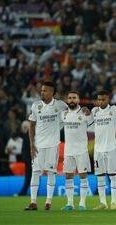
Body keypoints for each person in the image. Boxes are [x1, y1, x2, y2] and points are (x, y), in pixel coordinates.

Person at [24, 81, 68, 211]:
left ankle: (48, 202)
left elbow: (72, 110)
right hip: (38, 145)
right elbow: (31, 125)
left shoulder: (60, 105)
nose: (42, 92)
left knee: (51, 172)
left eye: (45, 90)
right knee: (35, 172)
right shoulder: (36, 106)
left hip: (53, 145)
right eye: (42, 90)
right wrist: (32, 144)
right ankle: (33, 202)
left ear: (52, 92)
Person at [60, 91, 93, 211]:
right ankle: (70, 203)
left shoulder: (85, 113)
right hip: (68, 151)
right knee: (68, 176)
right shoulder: (63, 114)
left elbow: (94, 126)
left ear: (78, 100)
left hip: (81, 150)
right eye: (69, 98)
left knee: (83, 176)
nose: (72, 100)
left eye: (74, 98)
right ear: (67, 100)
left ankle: (82, 203)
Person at [91, 90, 116, 210]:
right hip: (98, 149)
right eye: (99, 99)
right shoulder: (94, 111)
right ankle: (103, 203)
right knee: (100, 177)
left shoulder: (115, 110)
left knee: (113, 176)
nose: (100, 102)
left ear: (108, 99)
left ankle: (113, 202)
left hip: (111, 148)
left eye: (103, 99)